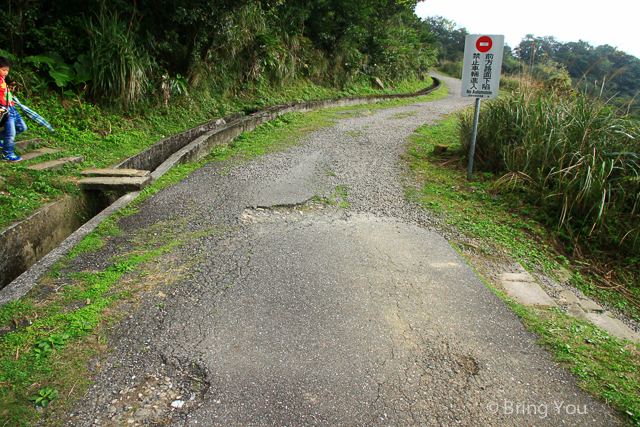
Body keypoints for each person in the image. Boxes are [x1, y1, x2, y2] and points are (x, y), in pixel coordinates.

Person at [0, 56, 27, 162]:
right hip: (5, 109)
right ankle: (7, 154)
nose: (6, 72)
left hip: (12, 108)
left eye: (7, 70)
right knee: (10, 133)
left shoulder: (2, 79)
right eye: (3, 70)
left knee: (22, 128)